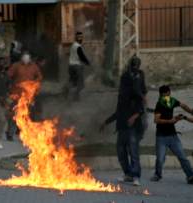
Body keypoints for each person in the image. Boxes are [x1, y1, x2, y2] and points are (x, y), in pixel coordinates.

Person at [100, 55, 147, 186]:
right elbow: (117, 113)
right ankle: (128, 174)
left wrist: (134, 117)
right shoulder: (121, 97)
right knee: (121, 152)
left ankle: (136, 176)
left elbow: (142, 109)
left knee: (133, 151)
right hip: (122, 127)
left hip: (132, 128)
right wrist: (106, 122)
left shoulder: (136, 95)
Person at [150, 85, 193, 184]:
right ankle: (157, 175)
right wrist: (170, 121)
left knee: (182, 157)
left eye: (169, 93)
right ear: (163, 94)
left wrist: (191, 112)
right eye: (168, 93)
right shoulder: (159, 104)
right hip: (161, 137)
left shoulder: (171, 101)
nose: (169, 95)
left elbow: (183, 105)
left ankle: (190, 176)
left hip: (173, 136)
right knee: (160, 159)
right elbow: (156, 120)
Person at [7, 52, 43, 140]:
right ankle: (10, 133)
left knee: (27, 113)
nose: (26, 60)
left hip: (29, 95)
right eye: (24, 58)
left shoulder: (34, 66)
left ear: (30, 59)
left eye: (27, 58)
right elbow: (8, 75)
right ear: (21, 58)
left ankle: (23, 131)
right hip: (17, 93)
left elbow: (39, 76)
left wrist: (33, 83)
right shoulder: (16, 65)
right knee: (14, 113)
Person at [64, 32, 90, 101]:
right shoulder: (78, 46)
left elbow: (69, 54)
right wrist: (87, 62)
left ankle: (66, 92)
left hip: (71, 66)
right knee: (80, 83)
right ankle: (76, 96)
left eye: (81, 37)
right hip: (77, 67)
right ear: (77, 38)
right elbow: (82, 57)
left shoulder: (73, 45)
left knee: (72, 81)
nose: (80, 39)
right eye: (79, 37)